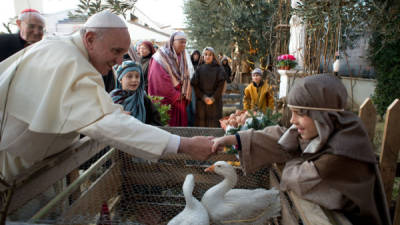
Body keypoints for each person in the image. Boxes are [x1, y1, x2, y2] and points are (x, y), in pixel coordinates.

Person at [0, 11, 213, 182]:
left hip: (31, 171)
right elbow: (105, 122)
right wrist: (185, 145)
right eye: (116, 51)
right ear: (90, 39)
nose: (120, 61)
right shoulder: (68, 60)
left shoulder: (67, 53)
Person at [212, 74, 391, 225]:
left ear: (321, 116)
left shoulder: (341, 153)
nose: (292, 120)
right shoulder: (328, 129)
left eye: (299, 113)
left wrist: (291, 158)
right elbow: (282, 137)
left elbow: (295, 179)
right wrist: (234, 138)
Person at [147, 31, 191, 127]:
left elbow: (186, 76)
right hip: (169, 100)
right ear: (172, 42)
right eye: (181, 42)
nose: (184, 45)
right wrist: (175, 94)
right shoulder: (160, 57)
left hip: (180, 98)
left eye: (185, 42)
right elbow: (158, 80)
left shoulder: (182, 56)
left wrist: (184, 91)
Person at [110, 60, 162, 126]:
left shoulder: (144, 100)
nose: (134, 80)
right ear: (120, 79)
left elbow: (156, 123)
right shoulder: (112, 99)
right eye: (129, 76)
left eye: (137, 76)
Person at [191, 47, 225, 127]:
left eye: (210, 54)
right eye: (205, 54)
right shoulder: (199, 69)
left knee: (214, 127)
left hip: (215, 102)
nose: (208, 56)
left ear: (213, 56)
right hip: (202, 103)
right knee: (202, 127)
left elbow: (220, 87)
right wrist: (203, 97)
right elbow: (195, 86)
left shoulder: (219, 69)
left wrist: (213, 98)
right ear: (202, 56)